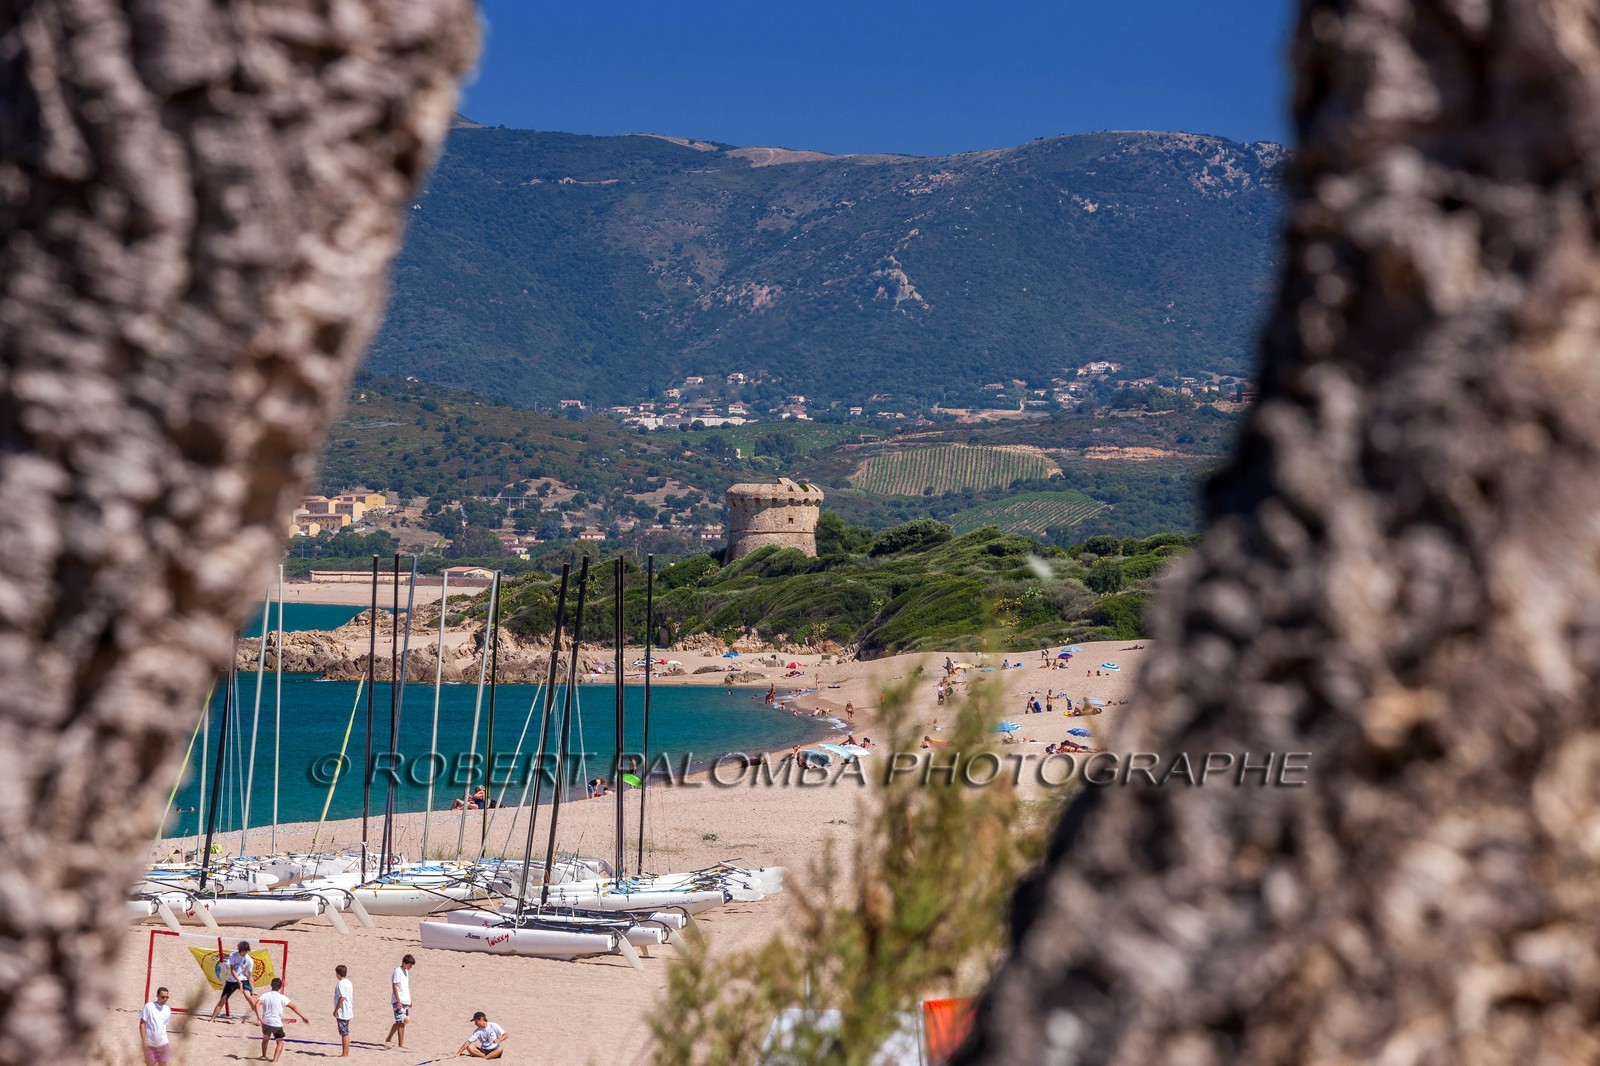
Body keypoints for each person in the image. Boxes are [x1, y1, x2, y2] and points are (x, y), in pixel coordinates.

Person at [256, 977, 309, 1062]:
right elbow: (293, 1007)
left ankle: (263, 1055)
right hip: (276, 1022)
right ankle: (275, 1061)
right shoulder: (282, 997)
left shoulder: (265, 995)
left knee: (266, 1038)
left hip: (266, 1021)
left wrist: (259, 1017)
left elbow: (257, 1004)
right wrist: (303, 1016)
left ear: (271, 985)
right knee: (280, 1042)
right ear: (280, 987)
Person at [210, 941, 258, 1021]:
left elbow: (250, 975)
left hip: (243, 979)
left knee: (249, 997)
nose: (244, 952)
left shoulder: (249, 960)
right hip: (232, 980)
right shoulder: (233, 955)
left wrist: (253, 990)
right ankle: (212, 1019)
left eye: (246, 951)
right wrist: (239, 982)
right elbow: (232, 970)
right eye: (243, 950)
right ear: (240, 950)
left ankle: (259, 1018)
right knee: (222, 1000)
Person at [386, 954, 415, 1050]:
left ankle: (401, 1043)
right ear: (404, 963)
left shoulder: (406, 972)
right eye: (409, 965)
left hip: (405, 1000)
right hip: (398, 1000)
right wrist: (398, 1000)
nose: (410, 967)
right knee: (399, 1021)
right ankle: (388, 1038)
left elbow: (405, 987)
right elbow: (395, 986)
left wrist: (409, 1000)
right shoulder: (397, 971)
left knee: (403, 1022)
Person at [139, 987, 172, 1064]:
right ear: (157, 996)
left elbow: (163, 1025)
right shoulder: (149, 1006)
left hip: (163, 1044)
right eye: (163, 997)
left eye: (167, 997)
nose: (165, 999)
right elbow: (142, 1024)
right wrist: (143, 1041)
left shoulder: (167, 1010)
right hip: (150, 1045)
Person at [332, 964, 354, 1058]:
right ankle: (345, 1053)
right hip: (348, 1010)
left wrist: (335, 1010)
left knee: (344, 1033)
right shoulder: (349, 982)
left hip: (343, 1011)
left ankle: (345, 1053)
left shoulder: (341, 983)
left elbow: (341, 998)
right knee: (345, 1032)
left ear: (338, 973)